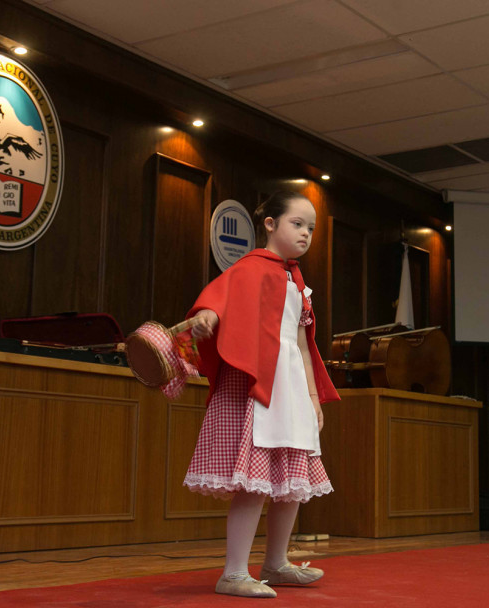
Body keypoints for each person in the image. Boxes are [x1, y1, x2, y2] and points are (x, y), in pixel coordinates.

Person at [183, 191, 340, 598]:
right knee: (254, 483)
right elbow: (219, 301)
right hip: (258, 388)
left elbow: (305, 345)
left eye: (311, 228)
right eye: (297, 223)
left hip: (290, 388)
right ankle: (233, 573)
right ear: (270, 224)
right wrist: (206, 317)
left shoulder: (297, 281)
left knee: (290, 482)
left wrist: (311, 396)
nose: (306, 233)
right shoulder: (250, 268)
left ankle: (275, 564)